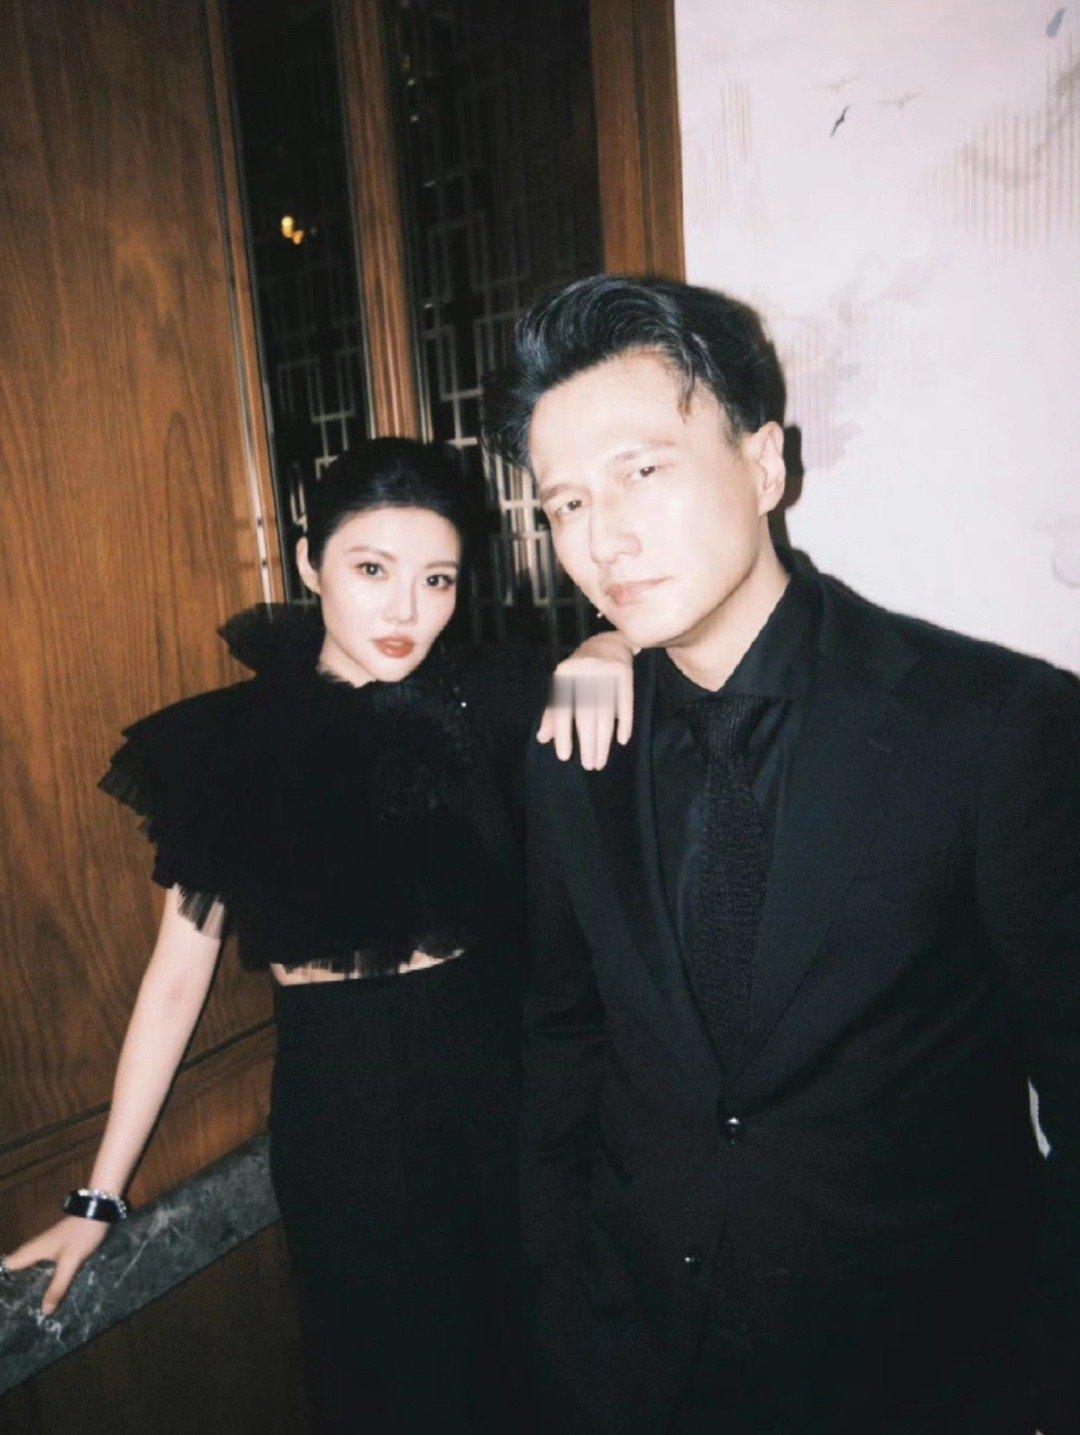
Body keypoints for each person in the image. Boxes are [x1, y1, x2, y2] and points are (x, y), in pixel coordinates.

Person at [481, 275, 1079, 1434]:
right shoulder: (573, 749)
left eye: (641, 472)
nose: (603, 536)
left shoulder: (990, 727)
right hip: (635, 1369)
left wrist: (1047, 1383)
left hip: (923, 1379)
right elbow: (563, 1047)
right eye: (566, 503)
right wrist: (563, 1313)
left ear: (764, 466)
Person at [0, 438, 634, 1432]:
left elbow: (673, 655)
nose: (405, 610)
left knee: (538, 1367)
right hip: (344, 1112)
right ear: (308, 562)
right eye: (372, 569)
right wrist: (97, 1198)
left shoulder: (489, 697)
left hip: (503, 1090)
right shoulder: (232, 746)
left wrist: (608, 647)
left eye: (437, 579)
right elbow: (175, 982)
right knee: (392, 1388)